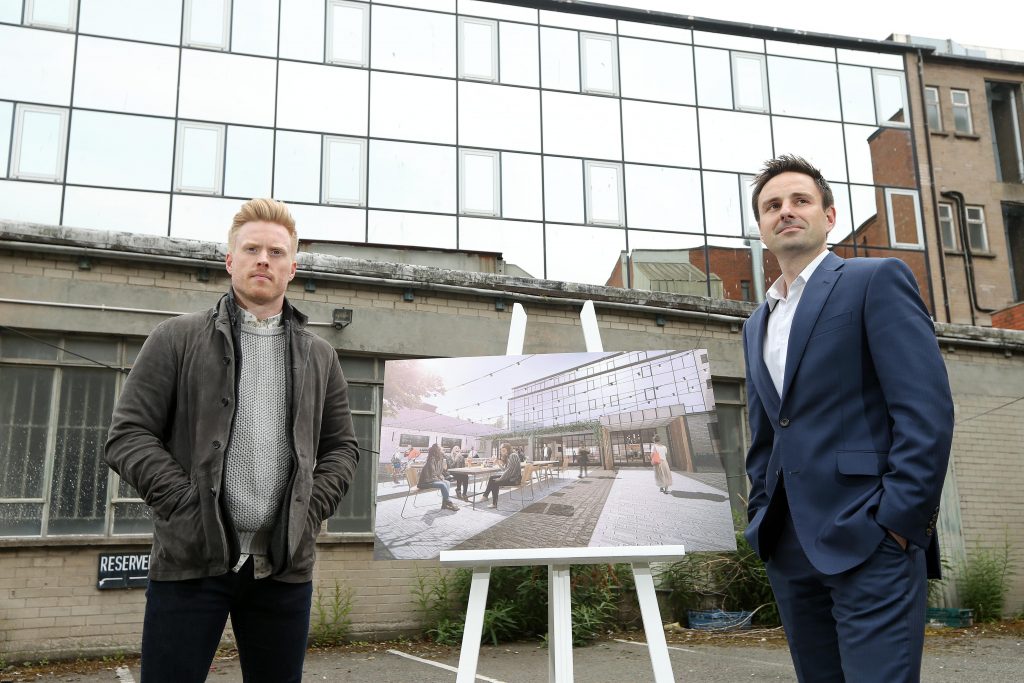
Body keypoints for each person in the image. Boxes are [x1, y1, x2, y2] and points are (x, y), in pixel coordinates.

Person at [105, 198, 360, 682]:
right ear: (230, 261)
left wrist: (307, 511)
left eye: (277, 252)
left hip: (282, 570)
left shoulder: (321, 357)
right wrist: (186, 504)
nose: (264, 259)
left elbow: (342, 449)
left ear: (292, 269)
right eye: (252, 248)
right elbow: (128, 435)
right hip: (190, 563)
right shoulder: (175, 339)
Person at [742, 155, 954, 682]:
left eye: (800, 201)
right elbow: (766, 432)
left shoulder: (874, 279)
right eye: (772, 206)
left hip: (871, 537)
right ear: (762, 228)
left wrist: (899, 523)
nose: (785, 211)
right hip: (790, 546)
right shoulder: (756, 322)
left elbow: (925, 410)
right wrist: (761, 514)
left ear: (829, 216)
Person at [476, 443, 522, 509]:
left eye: (504, 450)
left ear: (508, 450)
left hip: (515, 480)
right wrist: (498, 463)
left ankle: (490, 500)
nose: (502, 452)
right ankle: (486, 497)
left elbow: (509, 470)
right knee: (492, 478)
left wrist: (500, 479)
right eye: (501, 450)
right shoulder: (510, 456)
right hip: (512, 478)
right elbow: (505, 470)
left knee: (495, 482)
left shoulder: (513, 455)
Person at [418, 444, 459, 512]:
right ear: (437, 451)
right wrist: (441, 479)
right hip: (425, 482)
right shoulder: (432, 460)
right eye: (442, 449)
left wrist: (443, 477)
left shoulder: (440, 459)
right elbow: (433, 474)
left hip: (432, 480)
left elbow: (440, 472)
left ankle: (444, 504)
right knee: (442, 484)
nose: (444, 450)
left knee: (447, 482)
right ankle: (449, 502)